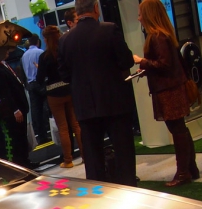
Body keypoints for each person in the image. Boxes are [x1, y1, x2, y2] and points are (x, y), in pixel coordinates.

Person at [58, 0, 138, 187]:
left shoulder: (65, 40)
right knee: (124, 152)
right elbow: (126, 61)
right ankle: (129, 190)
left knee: (93, 158)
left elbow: (64, 74)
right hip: (115, 103)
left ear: (77, 12)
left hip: (85, 107)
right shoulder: (109, 30)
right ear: (96, 8)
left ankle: (98, 194)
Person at [133, 0, 199, 186]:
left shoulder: (157, 36)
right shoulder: (163, 34)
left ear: (148, 15)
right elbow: (165, 64)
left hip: (169, 91)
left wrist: (141, 61)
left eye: (140, 14)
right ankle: (190, 169)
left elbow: (164, 65)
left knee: (178, 131)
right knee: (180, 129)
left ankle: (184, 172)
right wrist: (146, 68)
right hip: (172, 88)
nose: (139, 18)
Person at [38, 25, 84, 168]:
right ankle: (86, 156)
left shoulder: (44, 57)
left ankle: (68, 160)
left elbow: (39, 79)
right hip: (69, 89)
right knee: (76, 125)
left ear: (45, 39)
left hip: (54, 94)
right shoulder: (65, 51)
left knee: (63, 128)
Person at [0, 51, 33, 168]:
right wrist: (15, 109)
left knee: (22, 135)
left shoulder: (5, 65)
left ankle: (25, 160)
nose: (7, 52)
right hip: (13, 110)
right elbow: (4, 92)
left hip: (20, 106)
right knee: (16, 137)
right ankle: (21, 163)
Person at [21, 34, 49, 141]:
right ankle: (47, 128)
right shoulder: (40, 52)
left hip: (30, 84)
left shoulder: (24, 56)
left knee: (35, 109)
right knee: (45, 107)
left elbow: (23, 72)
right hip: (41, 82)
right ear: (38, 41)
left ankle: (40, 134)